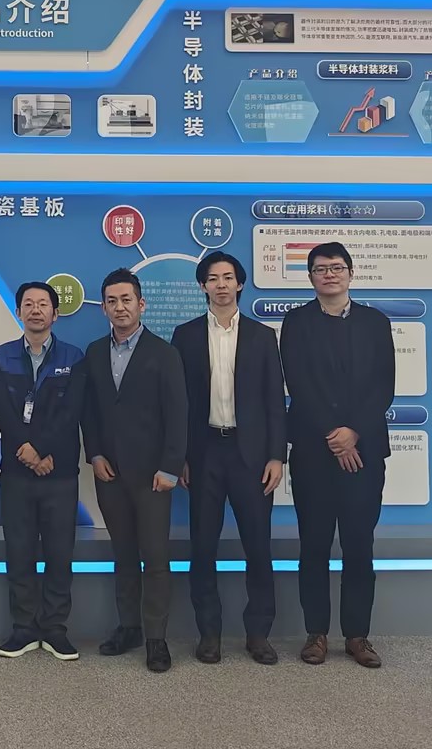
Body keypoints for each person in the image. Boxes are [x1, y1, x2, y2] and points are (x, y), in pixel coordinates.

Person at [281, 241, 394, 669]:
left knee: (359, 545)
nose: (329, 274)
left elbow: (383, 385)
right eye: (320, 268)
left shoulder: (375, 322)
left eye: (336, 267)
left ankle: (358, 635)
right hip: (314, 450)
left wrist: (353, 433)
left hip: (364, 453)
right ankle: (316, 633)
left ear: (350, 272)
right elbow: (298, 381)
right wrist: (334, 434)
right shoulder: (296, 322)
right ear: (310, 277)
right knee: (313, 545)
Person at [170, 252, 285, 667]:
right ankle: (210, 634)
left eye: (228, 277)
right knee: (203, 547)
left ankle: (259, 633)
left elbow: (275, 400)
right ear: (202, 286)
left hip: (250, 454)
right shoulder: (185, 336)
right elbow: (178, 403)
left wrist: (276, 456)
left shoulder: (261, 336)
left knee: (258, 547)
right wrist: (181, 456)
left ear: (239, 284)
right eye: (213, 278)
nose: (221, 284)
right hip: (204, 453)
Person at [81, 267, 187, 673]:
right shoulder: (94, 352)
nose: (119, 307)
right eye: (112, 301)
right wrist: (94, 454)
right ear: (104, 308)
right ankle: (129, 628)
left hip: (152, 476)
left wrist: (170, 467)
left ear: (141, 304)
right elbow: (89, 412)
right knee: (123, 555)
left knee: (155, 558)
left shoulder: (164, 353)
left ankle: (156, 638)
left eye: (126, 300)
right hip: (110, 474)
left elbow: (178, 415)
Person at [0, 281, 87, 661]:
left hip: (59, 473)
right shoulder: (2, 357)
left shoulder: (74, 357)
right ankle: (24, 628)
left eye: (43, 304)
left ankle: (56, 629)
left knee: (60, 554)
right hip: (16, 473)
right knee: (20, 552)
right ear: (18, 313)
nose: (35, 310)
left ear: (55, 314)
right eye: (28, 304)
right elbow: (3, 412)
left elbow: (71, 412)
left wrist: (42, 450)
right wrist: (28, 452)